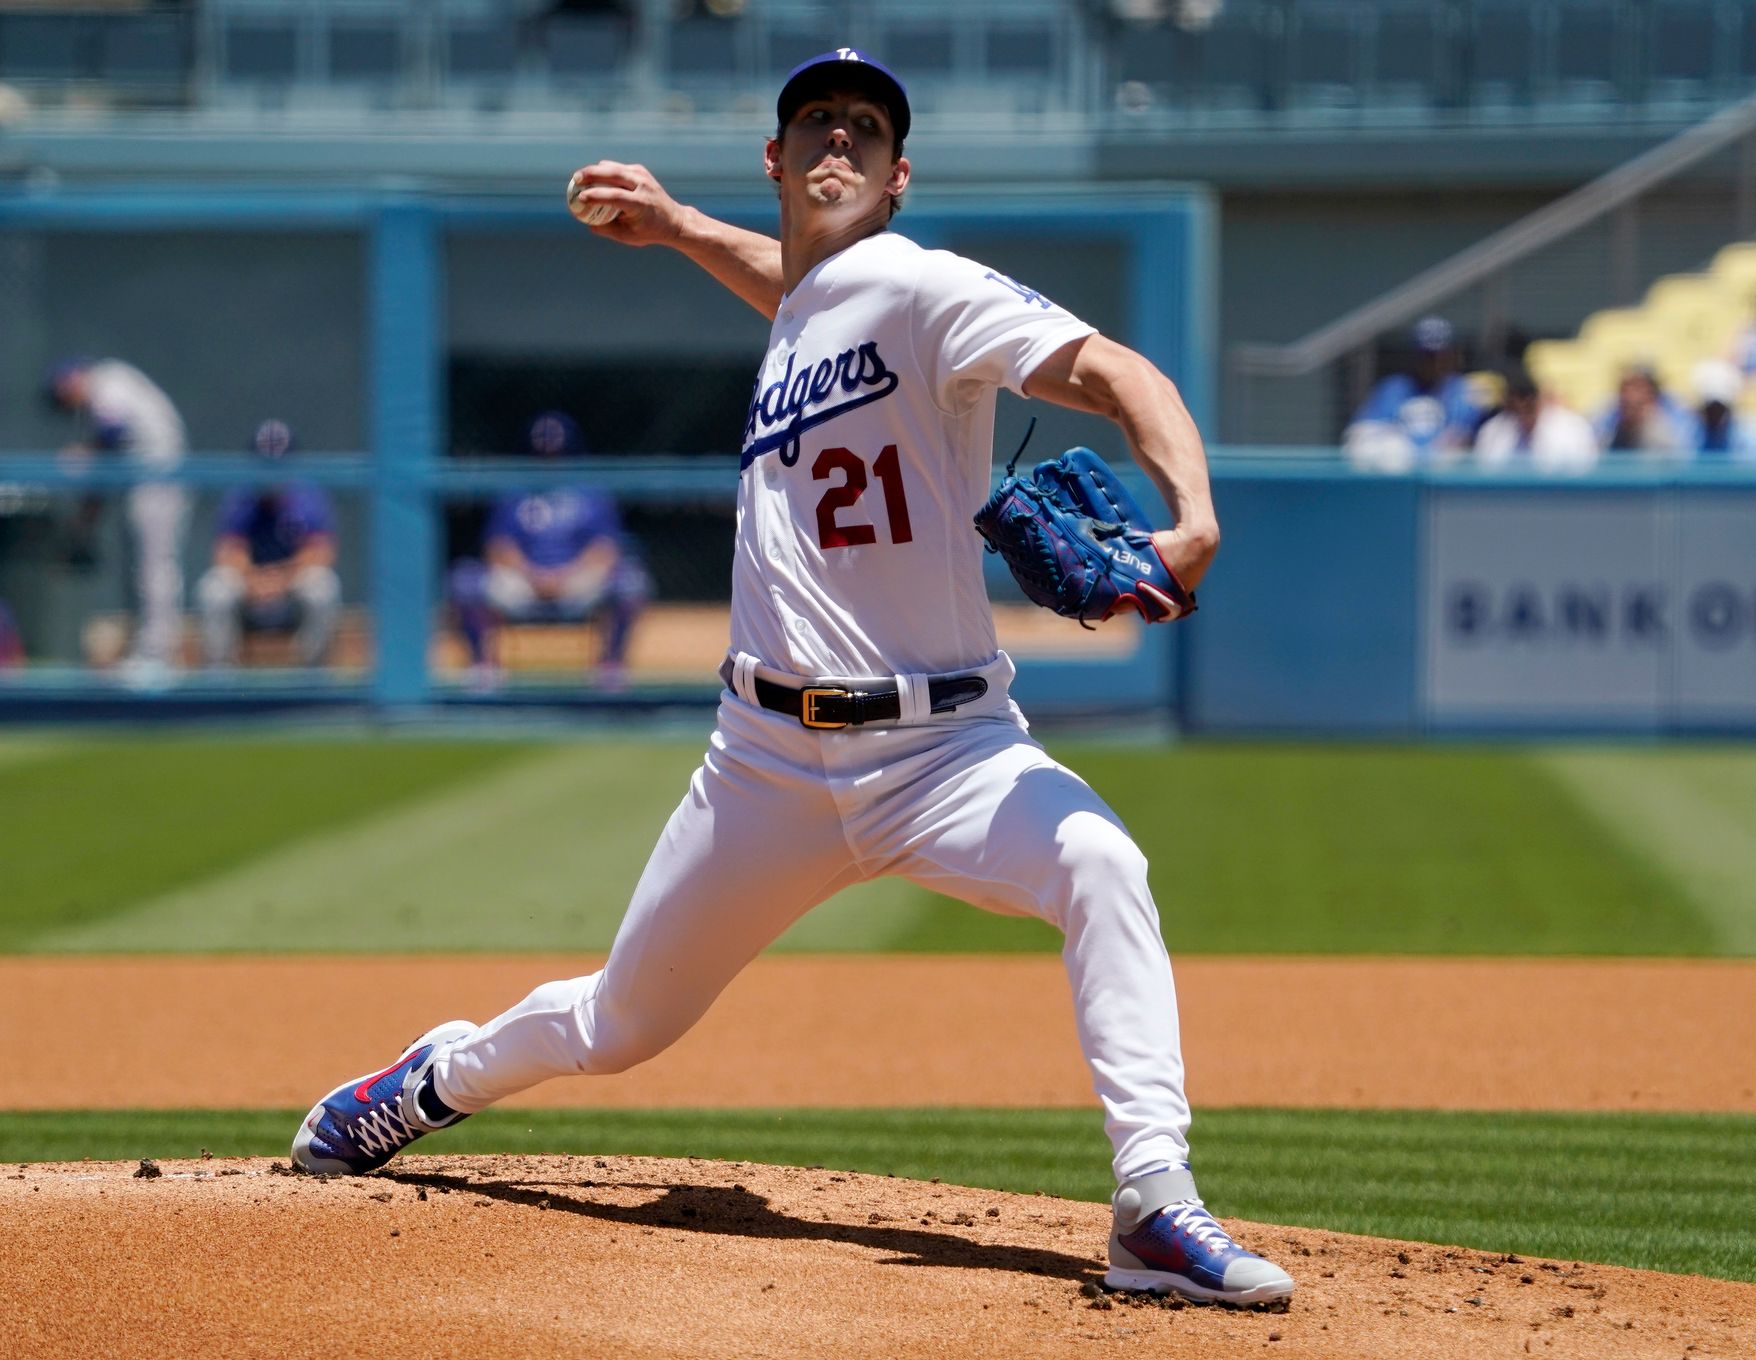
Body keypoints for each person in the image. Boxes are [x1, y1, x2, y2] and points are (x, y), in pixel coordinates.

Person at [293, 49, 1293, 1307]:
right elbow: (795, 284)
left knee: (1101, 861)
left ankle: (1154, 1201)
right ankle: (425, 1084)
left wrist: (1190, 512)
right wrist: (673, 227)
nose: (839, 142)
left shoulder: (928, 287)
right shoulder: (816, 300)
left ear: (896, 176)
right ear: (777, 159)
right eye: (816, 122)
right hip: (763, 762)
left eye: (866, 131)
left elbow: (1112, 372)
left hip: (949, 752)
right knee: (620, 1024)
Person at [446, 410, 652, 690]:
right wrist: (533, 575)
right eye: (541, 455)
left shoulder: (591, 492)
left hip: (577, 580)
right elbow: (497, 547)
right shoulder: (513, 491)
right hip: (523, 582)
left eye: (559, 454)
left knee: (630, 582)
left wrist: (564, 574)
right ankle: (484, 667)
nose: (550, 461)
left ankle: (610, 667)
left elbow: (605, 549)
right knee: (465, 581)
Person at [44, 356, 188, 679]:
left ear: (71, 379)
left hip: (158, 474)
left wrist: (85, 455)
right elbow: (103, 467)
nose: (66, 403)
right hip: (140, 478)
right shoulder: (99, 395)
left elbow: (112, 432)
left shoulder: (107, 380)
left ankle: (158, 656)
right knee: (140, 569)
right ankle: (147, 652)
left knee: (155, 567)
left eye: (62, 394)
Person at [195, 420, 342, 669]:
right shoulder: (240, 495)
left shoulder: (308, 494)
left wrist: (280, 580)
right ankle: (219, 674)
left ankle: (314, 675)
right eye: (265, 464)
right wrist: (255, 580)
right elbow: (227, 551)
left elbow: (321, 551)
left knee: (323, 588)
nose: (272, 473)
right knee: (213, 590)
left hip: (292, 583)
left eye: (279, 464)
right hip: (249, 583)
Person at [1340, 315, 1482, 470]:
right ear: (1415, 355)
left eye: (1441, 355)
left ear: (1452, 355)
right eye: (1428, 356)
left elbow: (1462, 439)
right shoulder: (1394, 388)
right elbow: (1362, 434)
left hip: (1448, 479)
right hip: (1398, 477)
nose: (1435, 363)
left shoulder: (1465, 390)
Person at [1471, 367, 1599, 472]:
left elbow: (1585, 473)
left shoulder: (1574, 429)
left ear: (1540, 398)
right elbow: (1485, 474)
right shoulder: (1493, 431)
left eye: (1529, 401)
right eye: (1516, 403)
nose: (1523, 408)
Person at [1595, 361, 1694, 457]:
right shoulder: (1608, 429)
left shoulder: (1662, 438)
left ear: (1653, 397)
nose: (1630, 396)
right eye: (1626, 388)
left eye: (1638, 388)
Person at [1687, 360, 1756, 468]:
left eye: (1720, 409)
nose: (1715, 415)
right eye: (1710, 409)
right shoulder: (1687, 436)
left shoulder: (1754, 436)